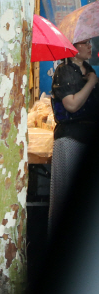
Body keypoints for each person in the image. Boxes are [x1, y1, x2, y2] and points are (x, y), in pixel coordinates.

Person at [49, 39, 99, 230]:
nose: (89, 47)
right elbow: (72, 104)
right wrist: (92, 83)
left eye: (89, 42)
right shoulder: (65, 70)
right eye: (84, 43)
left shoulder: (88, 69)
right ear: (73, 47)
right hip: (71, 138)